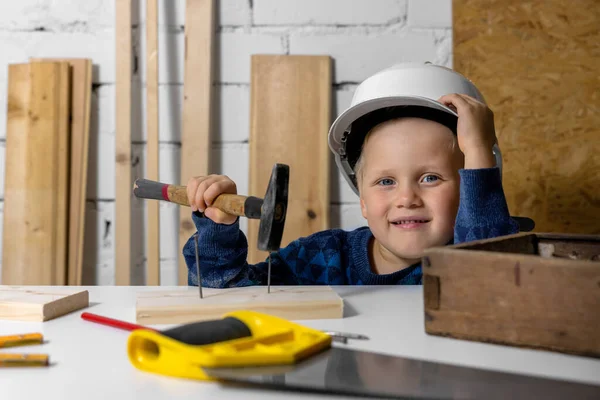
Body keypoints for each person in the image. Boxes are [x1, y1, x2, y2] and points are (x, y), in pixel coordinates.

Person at [181, 62, 529, 287]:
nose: (407, 199)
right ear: (362, 200)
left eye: (430, 178)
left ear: (472, 188)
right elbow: (230, 292)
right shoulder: (322, 259)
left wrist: (479, 152)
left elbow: (493, 286)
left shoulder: (474, 263)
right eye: (386, 182)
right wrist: (220, 232)